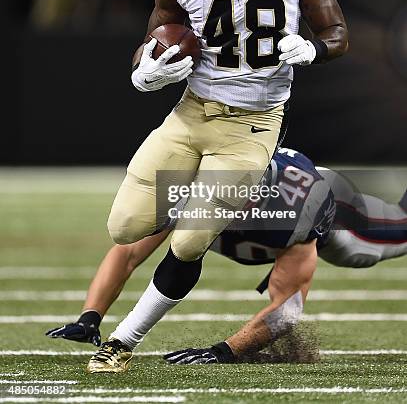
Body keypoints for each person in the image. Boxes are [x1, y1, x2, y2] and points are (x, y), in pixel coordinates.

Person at [84, 0, 348, 371]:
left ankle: (121, 343)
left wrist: (315, 47)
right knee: (124, 227)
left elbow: (335, 30)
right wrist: (144, 70)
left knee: (189, 240)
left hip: (251, 123)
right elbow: (156, 34)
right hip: (190, 114)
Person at [46, 147, 407, 368]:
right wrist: (90, 316)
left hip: (339, 216)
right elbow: (127, 254)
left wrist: (225, 351)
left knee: (395, 232)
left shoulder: (296, 211)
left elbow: (288, 310)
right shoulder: (190, 188)